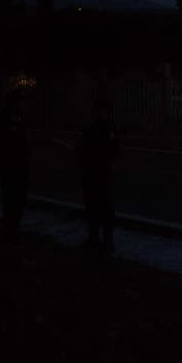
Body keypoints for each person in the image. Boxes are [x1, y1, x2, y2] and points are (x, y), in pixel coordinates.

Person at [0, 89, 30, 240]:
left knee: (13, 195)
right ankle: (10, 225)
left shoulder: (12, 116)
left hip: (14, 163)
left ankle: (10, 223)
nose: (23, 105)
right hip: (12, 163)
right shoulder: (10, 117)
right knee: (14, 196)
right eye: (21, 101)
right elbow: (10, 139)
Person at [77, 99, 120, 253]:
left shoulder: (110, 129)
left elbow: (114, 152)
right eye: (97, 110)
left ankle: (107, 241)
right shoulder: (91, 129)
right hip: (91, 174)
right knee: (92, 208)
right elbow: (82, 148)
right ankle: (93, 238)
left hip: (103, 174)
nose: (99, 113)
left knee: (106, 209)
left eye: (102, 110)